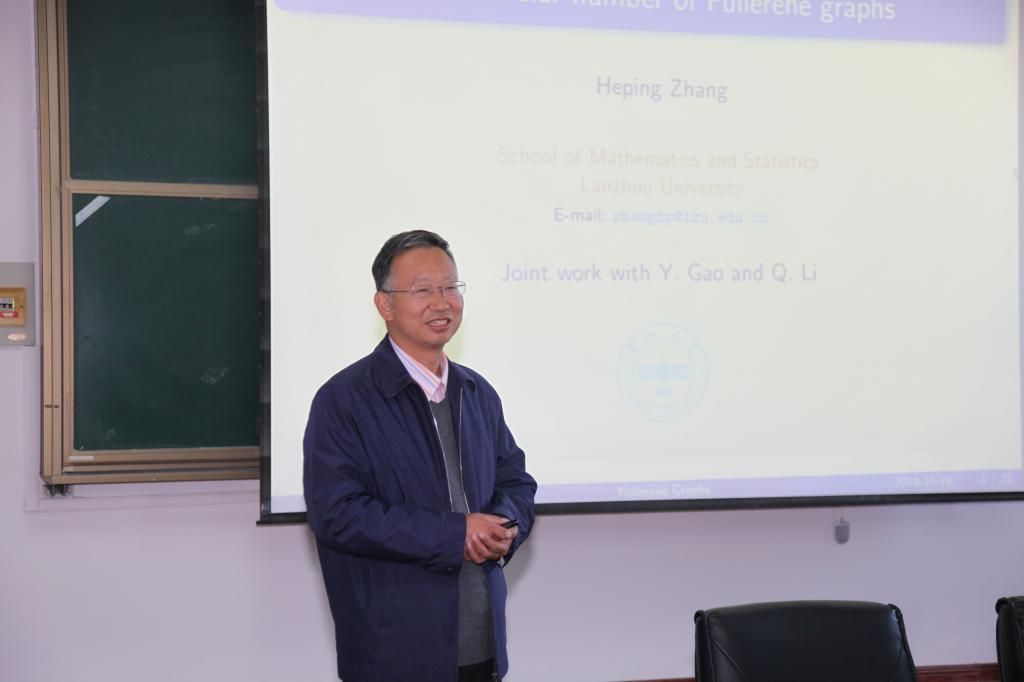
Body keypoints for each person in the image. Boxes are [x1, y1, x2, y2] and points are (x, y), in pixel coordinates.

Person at [304, 230, 537, 682]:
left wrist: (504, 526)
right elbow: (337, 514)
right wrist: (455, 534)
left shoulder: (477, 391)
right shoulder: (344, 399)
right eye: (422, 290)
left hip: (481, 647)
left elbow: (516, 482)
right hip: (393, 652)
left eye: (450, 287)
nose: (441, 302)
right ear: (384, 305)